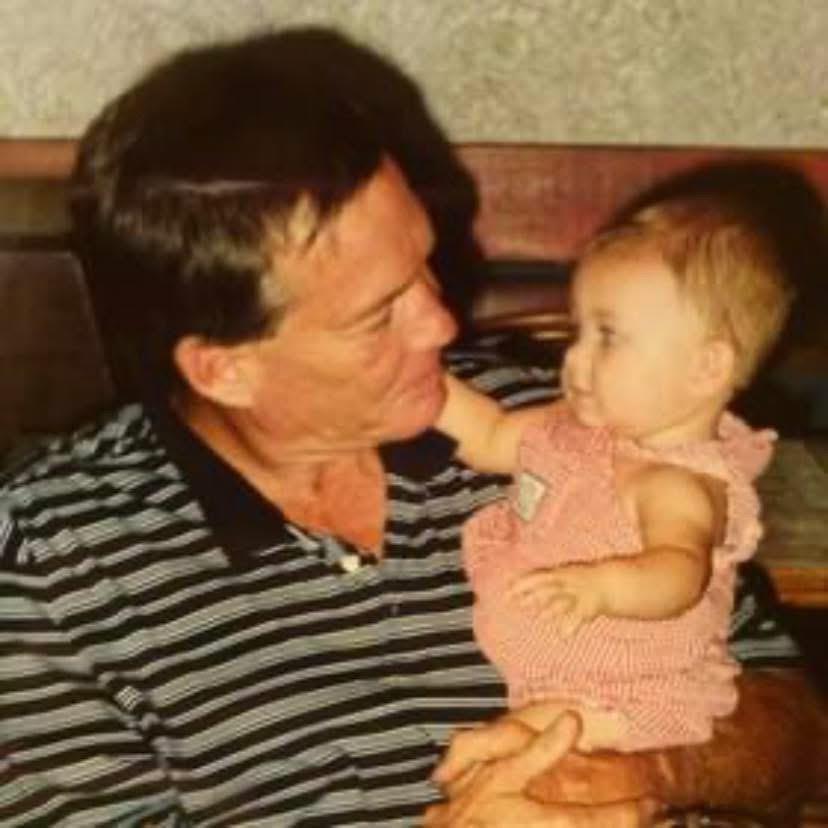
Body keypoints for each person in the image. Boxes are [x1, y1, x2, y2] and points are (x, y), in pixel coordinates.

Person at [0, 31, 820, 828]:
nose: (440, 322)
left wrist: (649, 773)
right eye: (378, 313)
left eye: (424, 262)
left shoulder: (570, 432)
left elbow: (798, 730)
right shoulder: (48, 569)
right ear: (225, 368)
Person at [432, 195, 794, 761]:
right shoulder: (574, 429)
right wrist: (419, 374)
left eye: (608, 337)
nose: (573, 359)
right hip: (554, 682)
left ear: (706, 368)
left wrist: (603, 587)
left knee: (515, 749)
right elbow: (489, 434)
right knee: (512, 749)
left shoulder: (676, 482)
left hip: (624, 695)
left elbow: (680, 571)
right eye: (577, 332)